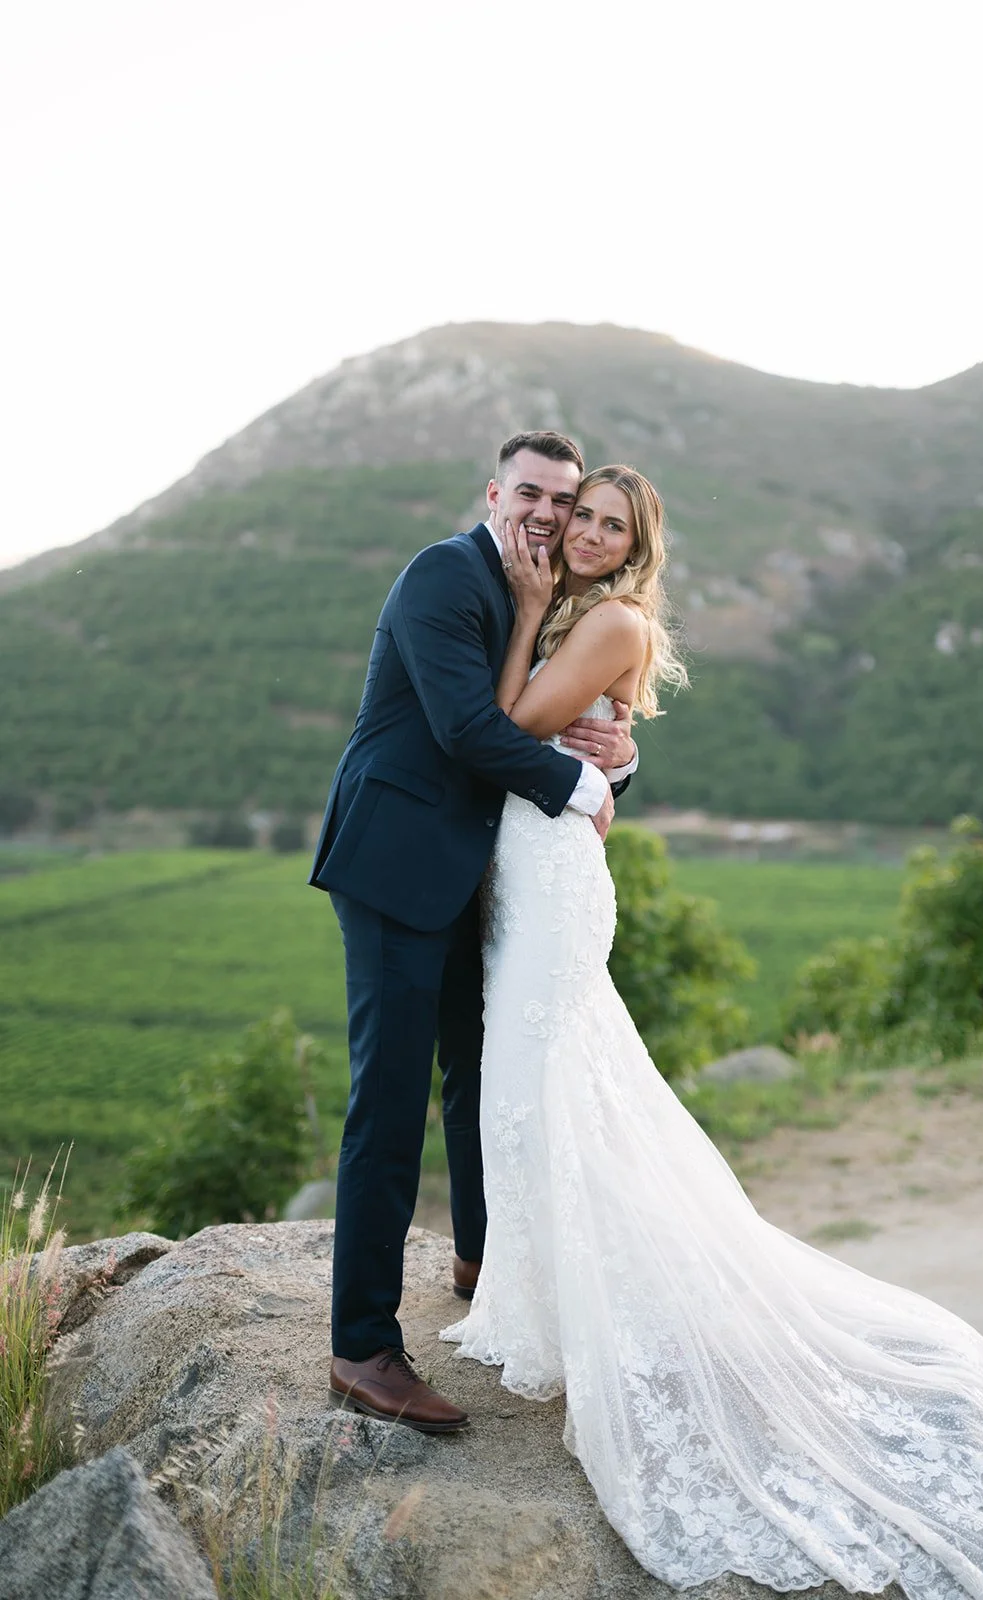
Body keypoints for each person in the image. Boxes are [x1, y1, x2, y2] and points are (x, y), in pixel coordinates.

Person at [443, 464, 983, 1595]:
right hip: (530, 868)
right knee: (528, 1084)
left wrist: (533, 620)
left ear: (635, 547)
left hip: (553, 878)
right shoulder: (595, 616)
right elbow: (558, 738)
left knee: (557, 1082)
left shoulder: (605, 616)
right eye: (578, 514)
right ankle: (536, 1296)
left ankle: (609, 1298)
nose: (583, 532)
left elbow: (507, 723)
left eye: (608, 524)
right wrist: (600, 745)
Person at [308, 431, 637, 1432]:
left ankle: (481, 1254)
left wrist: (613, 763)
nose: (550, 513)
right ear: (495, 491)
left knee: (479, 1069)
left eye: (567, 499)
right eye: (532, 493)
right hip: (398, 862)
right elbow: (464, 729)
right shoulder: (444, 577)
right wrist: (585, 788)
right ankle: (362, 1345)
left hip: (472, 874)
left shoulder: (549, 593)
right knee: (391, 1099)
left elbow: (558, 718)